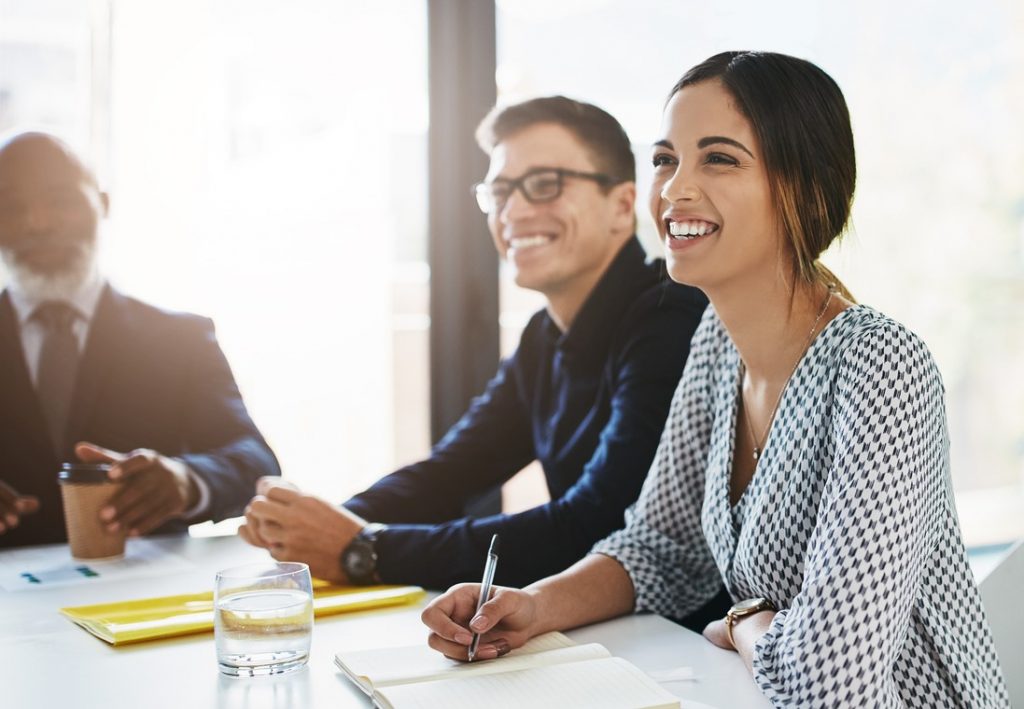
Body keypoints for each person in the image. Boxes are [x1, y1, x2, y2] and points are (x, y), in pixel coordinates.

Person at [421, 52, 1009, 707]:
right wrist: (532, 606)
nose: (674, 190)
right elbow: (660, 546)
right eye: (666, 159)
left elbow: (832, 686)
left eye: (719, 159)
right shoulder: (716, 343)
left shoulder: (881, 367)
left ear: (806, 188)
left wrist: (744, 622)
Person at [239, 96, 715, 601]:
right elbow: (451, 472)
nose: (515, 210)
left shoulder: (669, 319)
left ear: (622, 206)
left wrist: (366, 548)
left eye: (544, 184)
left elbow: (595, 524)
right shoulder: (545, 335)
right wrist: (311, 524)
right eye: (501, 191)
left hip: (685, 644)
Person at [0, 131, 281, 549]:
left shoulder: (179, 340)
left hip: (144, 597)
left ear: (104, 204)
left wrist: (187, 480)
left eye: (60, 200)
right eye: (11, 206)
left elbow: (255, 462)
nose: (37, 223)